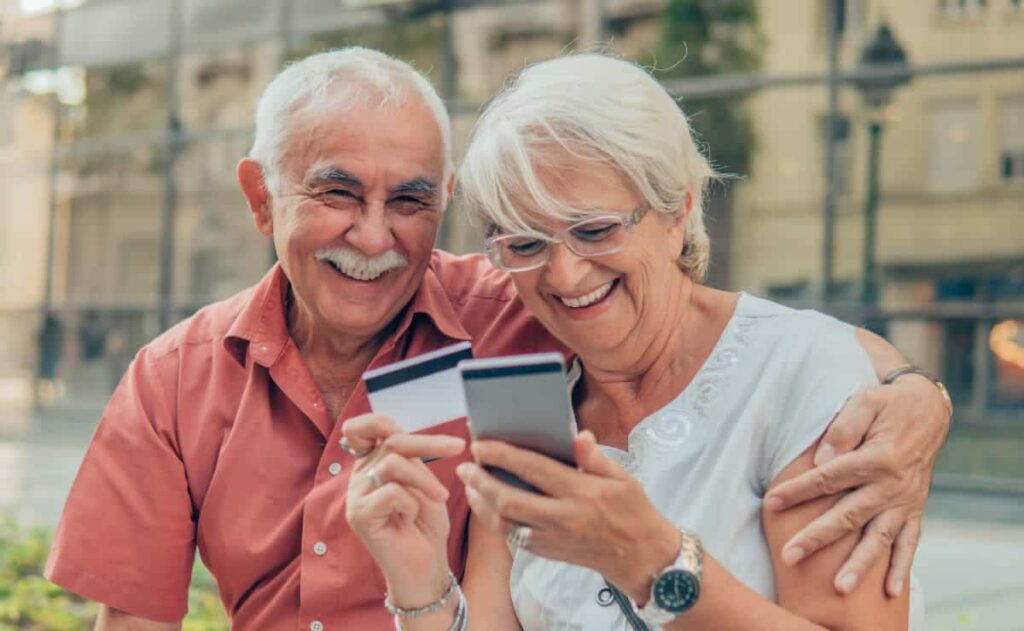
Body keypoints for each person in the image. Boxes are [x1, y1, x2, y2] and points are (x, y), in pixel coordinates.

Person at [45, 48, 949, 630]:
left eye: (409, 200)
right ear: (259, 198)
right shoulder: (174, 378)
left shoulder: (515, 316)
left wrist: (916, 392)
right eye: (335, 192)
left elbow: (769, 349)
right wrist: (415, 576)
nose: (372, 236)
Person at [344, 54, 944, 630]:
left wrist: (651, 562)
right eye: (525, 245)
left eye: (595, 230)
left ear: (677, 210)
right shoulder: (524, 402)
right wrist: (419, 583)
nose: (564, 275)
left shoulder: (802, 372)